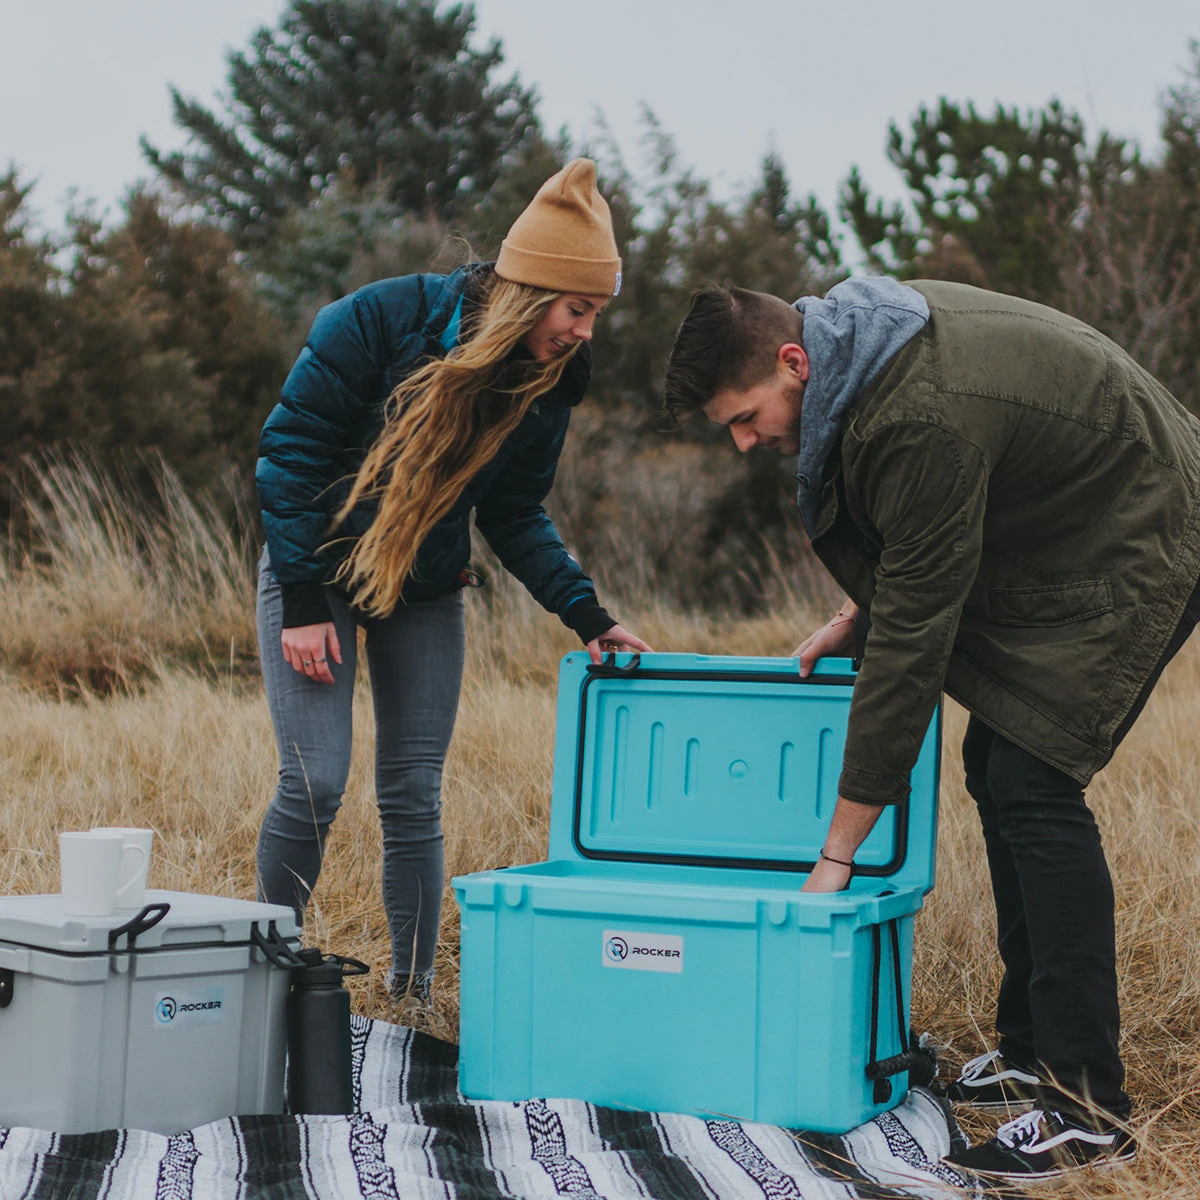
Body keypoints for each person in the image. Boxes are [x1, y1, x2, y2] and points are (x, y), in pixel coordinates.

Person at [663, 276, 1200, 1183]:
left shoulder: (912, 415)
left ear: (794, 362)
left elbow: (914, 644)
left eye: (745, 417)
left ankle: (1087, 1112)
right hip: (1079, 518)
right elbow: (920, 540)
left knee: (1034, 780)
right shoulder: (860, 357)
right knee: (998, 762)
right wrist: (855, 613)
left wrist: (836, 856)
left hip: (1149, 526)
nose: (745, 442)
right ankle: (1031, 1052)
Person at [255, 159, 650, 1005]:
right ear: (529, 292)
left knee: (413, 793)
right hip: (316, 569)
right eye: (577, 309)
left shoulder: (543, 385)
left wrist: (587, 614)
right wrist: (300, 602)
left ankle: (413, 994)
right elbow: (289, 455)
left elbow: (514, 512)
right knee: (315, 780)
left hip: (426, 582)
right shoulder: (377, 319)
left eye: (596, 314)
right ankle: (265, 975)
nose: (585, 332)